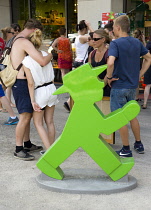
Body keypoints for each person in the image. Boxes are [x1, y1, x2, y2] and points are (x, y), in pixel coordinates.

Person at [107, 15, 151, 157]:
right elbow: (148, 58)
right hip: (133, 86)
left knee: (120, 118)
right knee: (132, 115)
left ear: (118, 28)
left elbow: (110, 62)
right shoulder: (137, 43)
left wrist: (108, 77)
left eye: (113, 27)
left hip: (119, 85)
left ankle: (126, 149)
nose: (113, 29)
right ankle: (138, 143)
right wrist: (140, 74)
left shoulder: (116, 43)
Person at [11, 19, 53, 160]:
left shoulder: (17, 39)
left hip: (22, 82)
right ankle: (18, 148)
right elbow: (41, 61)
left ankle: (27, 143)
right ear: (35, 29)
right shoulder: (24, 42)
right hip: (22, 83)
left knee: (27, 115)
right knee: (25, 116)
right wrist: (50, 55)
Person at [23, 29, 58, 154]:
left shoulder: (26, 61)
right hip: (52, 88)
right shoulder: (45, 54)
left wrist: (32, 100)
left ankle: (49, 151)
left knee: (38, 123)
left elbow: (30, 83)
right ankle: (52, 148)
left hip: (40, 91)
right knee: (50, 121)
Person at [88, 29, 110, 96]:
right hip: (93, 87)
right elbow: (89, 70)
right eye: (92, 39)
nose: (93, 41)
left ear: (103, 40)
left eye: (96, 39)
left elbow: (109, 72)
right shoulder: (92, 53)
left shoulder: (108, 54)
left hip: (106, 88)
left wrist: (101, 85)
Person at [133, 29, 146, 101]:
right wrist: (143, 40)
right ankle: (136, 96)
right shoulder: (139, 42)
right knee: (136, 79)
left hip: (131, 61)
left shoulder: (132, 41)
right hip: (138, 60)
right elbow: (145, 50)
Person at [142, 37, 151, 109]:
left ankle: (145, 103)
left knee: (148, 85)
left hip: (149, 66)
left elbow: (146, 56)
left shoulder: (149, 44)